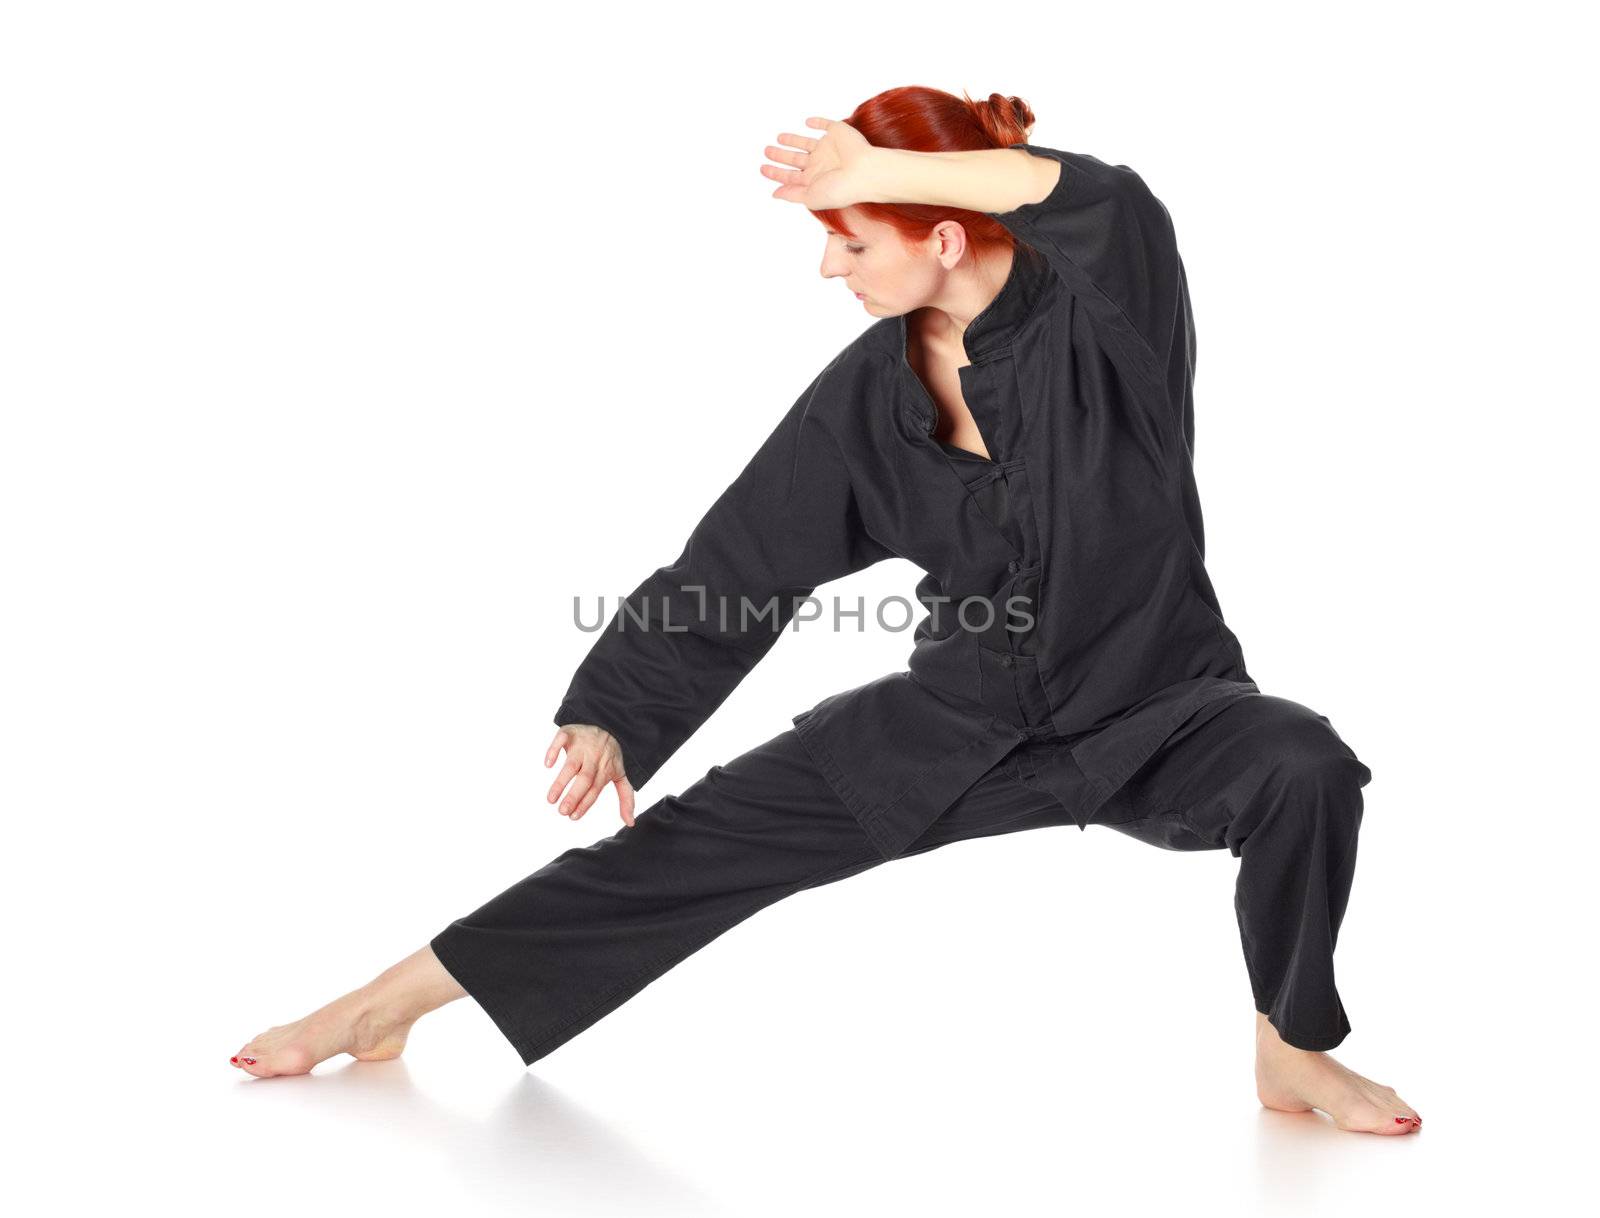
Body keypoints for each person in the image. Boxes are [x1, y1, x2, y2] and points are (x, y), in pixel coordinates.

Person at [229, 86, 1420, 1135]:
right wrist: (615, 709)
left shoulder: (1107, 323)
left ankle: (1291, 1047)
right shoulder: (871, 390)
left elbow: (1103, 195)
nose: (829, 267)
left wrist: (871, 167)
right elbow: (745, 557)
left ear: (940, 231)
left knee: (1301, 767)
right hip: (954, 723)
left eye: (848, 241)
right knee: (676, 851)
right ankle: (378, 1009)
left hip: (1159, 708)